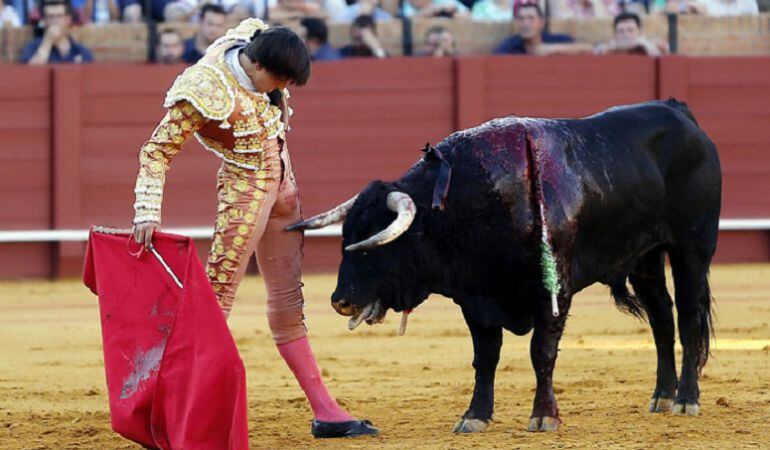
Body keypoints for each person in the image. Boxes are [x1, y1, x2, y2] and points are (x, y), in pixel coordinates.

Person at [130, 18, 379, 439]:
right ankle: (167, 411)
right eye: (280, 80)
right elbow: (156, 152)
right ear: (261, 67)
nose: (282, 89)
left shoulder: (251, 37)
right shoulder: (204, 87)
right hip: (244, 195)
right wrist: (146, 210)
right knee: (213, 304)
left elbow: (266, 27)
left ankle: (326, 411)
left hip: (284, 188)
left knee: (288, 304)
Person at [494, 3, 592, 55]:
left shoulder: (552, 40)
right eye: (521, 19)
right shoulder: (509, 45)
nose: (525, 23)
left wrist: (551, 49)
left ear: (541, 23)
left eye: (531, 18)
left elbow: (588, 48)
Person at [20, 0, 94, 64]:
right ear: (44, 21)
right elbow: (28, 74)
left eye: (59, 16)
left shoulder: (80, 51)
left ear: (68, 19)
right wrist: (47, 43)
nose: (55, 21)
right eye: (50, 17)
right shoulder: (32, 47)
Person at [594, 12, 668, 56]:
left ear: (640, 32)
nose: (626, 35)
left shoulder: (651, 45)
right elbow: (596, 51)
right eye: (621, 31)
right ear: (615, 34)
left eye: (630, 30)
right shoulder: (608, 47)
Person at [402, 0, 470, 18]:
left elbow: (467, 15)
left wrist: (453, 14)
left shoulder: (444, 1)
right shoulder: (405, 7)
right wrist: (429, 11)